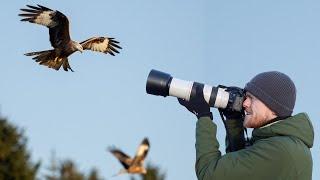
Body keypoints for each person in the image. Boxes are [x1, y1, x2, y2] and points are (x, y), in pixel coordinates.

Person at [178, 71, 314, 180]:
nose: (244, 104)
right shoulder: (283, 143)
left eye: (251, 98)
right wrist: (234, 120)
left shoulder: (279, 150)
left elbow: (209, 173)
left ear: (272, 105)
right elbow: (239, 169)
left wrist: (203, 116)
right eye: (245, 97)